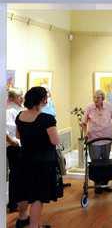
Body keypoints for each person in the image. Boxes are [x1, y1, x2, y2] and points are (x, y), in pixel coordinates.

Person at [15, 86, 61, 228]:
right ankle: (34, 226)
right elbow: (55, 141)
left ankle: (22, 218)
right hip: (42, 162)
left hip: (24, 159)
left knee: (24, 191)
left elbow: (18, 136)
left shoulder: (20, 116)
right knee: (37, 196)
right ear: (43, 100)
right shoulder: (47, 119)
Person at [81, 89, 112, 193]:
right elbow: (83, 122)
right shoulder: (89, 107)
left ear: (103, 98)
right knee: (95, 163)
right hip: (93, 139)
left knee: (105, 161)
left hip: (107, 138)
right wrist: (86, 133)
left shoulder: (108, 106)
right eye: (94, 97)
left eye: (98, 98)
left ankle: (105, 183)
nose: (95, 100)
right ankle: (97, 184)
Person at [6, 88, 24, 212]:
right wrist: (13, 142)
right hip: (14, 147)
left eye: (22, 96)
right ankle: (12, 204)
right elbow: (5, 131)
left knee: (20, 175)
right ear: (12, 98)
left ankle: (18, 200)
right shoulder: (8, 111)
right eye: (19, 97)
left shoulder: (19, 109)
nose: (21, 98)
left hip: (21, 146)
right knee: (15, 175)